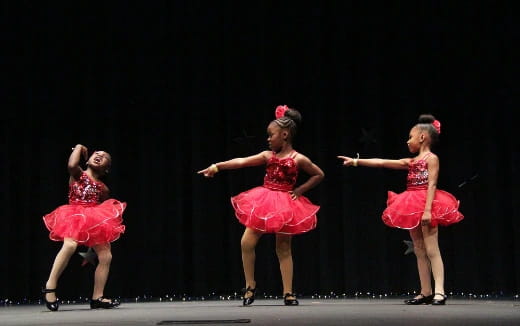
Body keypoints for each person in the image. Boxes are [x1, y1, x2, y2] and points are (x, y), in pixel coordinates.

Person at [198, 105, 324, 306]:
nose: (268, 139)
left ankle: (288, 292)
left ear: (284, 134)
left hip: (284, 203)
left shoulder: (299, 158)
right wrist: (217, 166)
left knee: (283, 247)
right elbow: (242, 162)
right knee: (246, 242)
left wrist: (299, 191)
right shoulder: (268, 156)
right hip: (264, 201)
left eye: (270, 135)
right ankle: (250, 285)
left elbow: (319, 174)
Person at [337, 114, 463, 305]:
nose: (407, 140)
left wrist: (428, 210)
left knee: (431, 249)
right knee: (419, 250)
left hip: (428, 203)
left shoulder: (432, 158)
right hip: (411, 204)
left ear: (422, 137)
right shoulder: (411, 162)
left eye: (411, 136)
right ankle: (425, 291)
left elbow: (432, 184)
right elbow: (382, 162)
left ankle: (440, 291)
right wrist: (356, 162)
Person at [42, 144, 126, 311]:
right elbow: (72, 165)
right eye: (97, 153)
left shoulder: (103, 187)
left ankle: (97, 297)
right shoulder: (78, 173)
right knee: (70, 245)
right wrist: (79, 148)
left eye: (104, 157)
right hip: (73, 215)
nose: (99, 156)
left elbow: (100, 203)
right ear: (87, 160)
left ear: (106, 169)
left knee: (106, 255)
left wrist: (100, 221)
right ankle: (49, 287)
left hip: (93, 217)